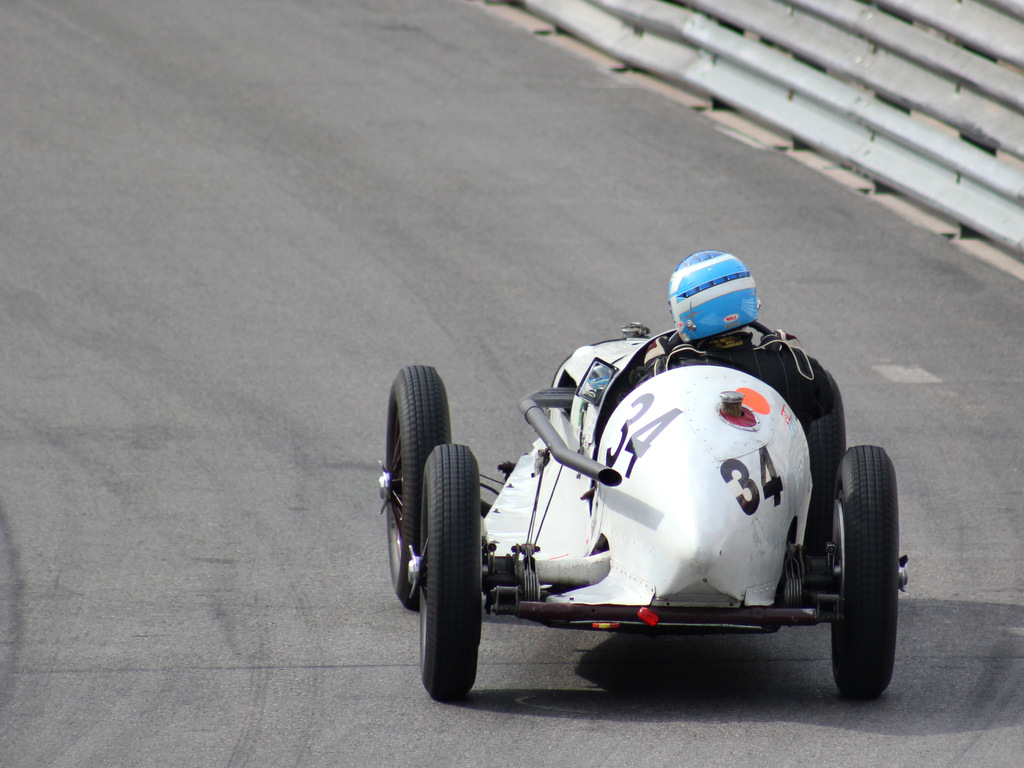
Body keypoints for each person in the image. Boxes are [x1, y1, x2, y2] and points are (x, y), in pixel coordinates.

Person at [635, 250, 834, 433]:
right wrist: (794, 354)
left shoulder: (672, 372)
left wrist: (655, 360)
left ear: (683, 311)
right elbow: (826, 401)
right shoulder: (790, 366)